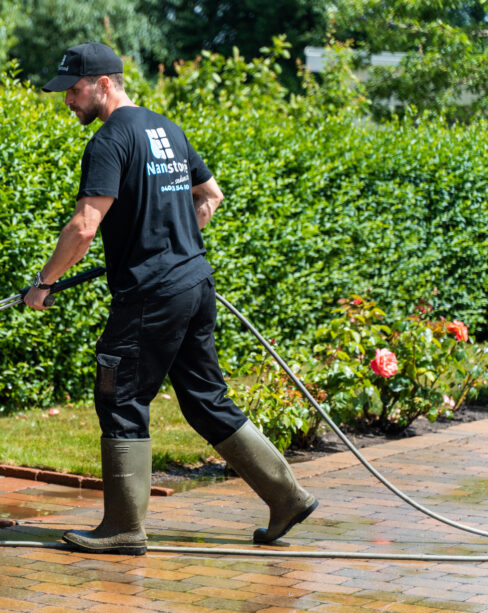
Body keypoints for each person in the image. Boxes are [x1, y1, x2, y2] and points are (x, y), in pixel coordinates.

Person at [25, 42, 318, 556]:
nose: (68, 101)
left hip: (151, 296)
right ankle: (286, 496)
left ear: (104, 84)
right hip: (194, 284)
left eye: (73, 90)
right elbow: (210, 196)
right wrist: (172, 240)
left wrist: (45, 282)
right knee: (206, 400)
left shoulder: (109, 141)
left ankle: (122, 527)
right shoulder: (167, 130)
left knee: (120, 396)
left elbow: (85, 224)